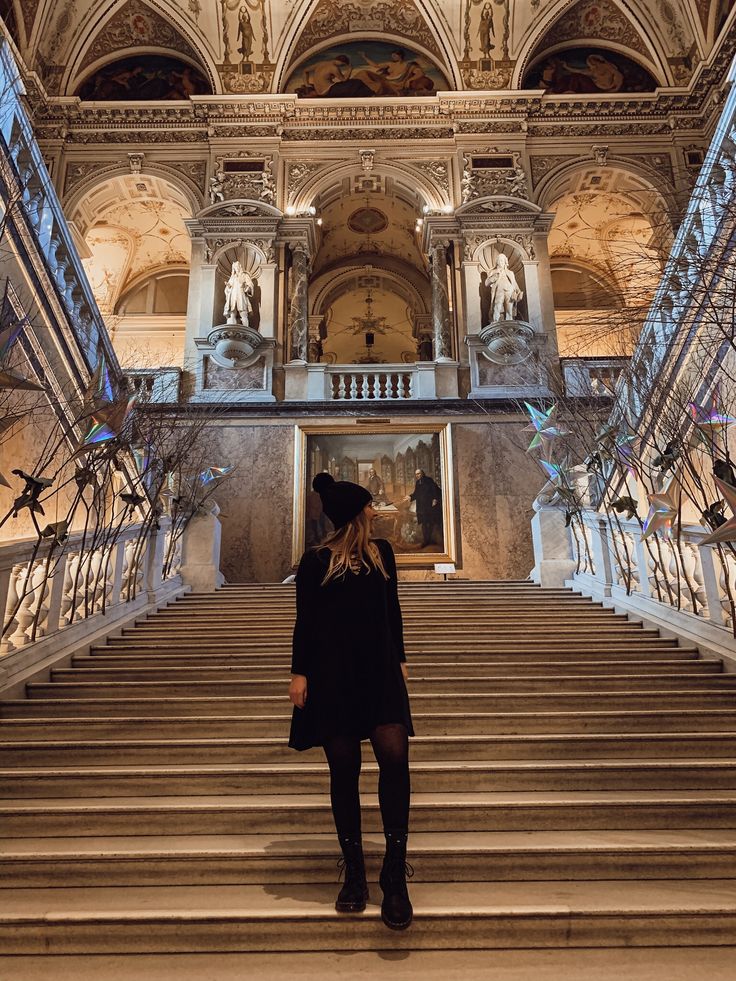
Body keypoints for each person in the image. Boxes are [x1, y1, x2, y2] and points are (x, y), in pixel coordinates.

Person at [288, 473, 415, 931]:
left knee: (394, 759)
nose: (371, 511)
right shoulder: (315, 560)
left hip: (379, 672)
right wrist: (299, 673)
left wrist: (400, 660)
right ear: (354, 513)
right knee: (344, 769)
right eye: (366, 507)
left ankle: (394, 876)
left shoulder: (382, 555)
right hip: (332, 676)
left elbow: (393, 610)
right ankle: (355, 873)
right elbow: (306, 622)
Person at [404, 468, 442, 548]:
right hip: (421, 507)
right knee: (424, 524)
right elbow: (416, 494)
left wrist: (435, 499)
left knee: (430, 523)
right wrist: (410, 497)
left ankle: (429, 539)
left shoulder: (429, 480)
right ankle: (426, 541)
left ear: (422, 473)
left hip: (429, 506)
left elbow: (434, 490)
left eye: (418, 474)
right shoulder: (418, 482)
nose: (417, 475)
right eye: (416, 474)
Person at [485, 253, 523, 322]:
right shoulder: (493, 272)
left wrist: (519, 291)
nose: (501, 262)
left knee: (509, 310)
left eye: (502, 260)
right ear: (497, 262)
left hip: (509, 292)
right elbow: (486, 283)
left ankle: (510, 326)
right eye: (499, 260)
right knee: (497, 308)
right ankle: (495, 324)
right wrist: (495, 276)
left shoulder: (510, 272)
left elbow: (514, 283)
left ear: (505, 262)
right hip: (499, 291)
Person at [223, 260, 253, 326]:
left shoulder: (244, 275)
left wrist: (245, 286)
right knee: (232, 313)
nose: (236, 268)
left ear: (240, 266)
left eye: (237, 266)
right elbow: (227, 290)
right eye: (234, 267)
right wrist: (228, 286)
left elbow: (250, 285)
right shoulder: (232, 277)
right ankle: (231, 330)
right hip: (233, 296)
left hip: (241, 295)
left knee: (243, 313)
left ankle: (246, 329)